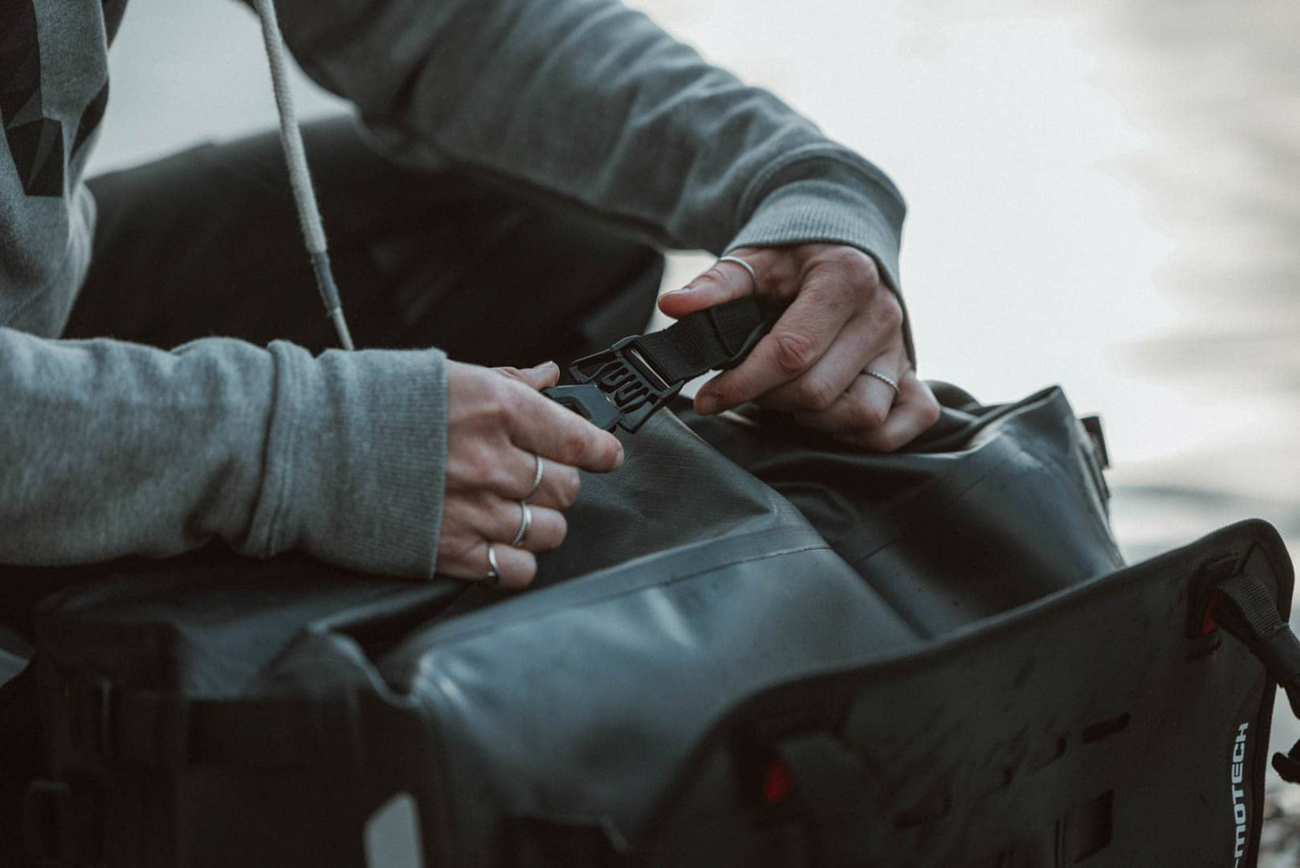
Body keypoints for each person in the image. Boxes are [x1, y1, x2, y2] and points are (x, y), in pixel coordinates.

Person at [0, 0, 940, 596]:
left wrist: (796, 177)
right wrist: (306, 444)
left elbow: (450, 18)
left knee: (551, 228)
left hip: (39, 295)